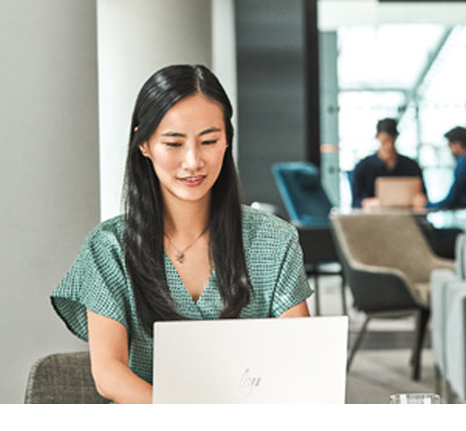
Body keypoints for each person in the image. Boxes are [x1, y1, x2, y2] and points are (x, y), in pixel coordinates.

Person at [50, 64, 313, 404]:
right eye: (174, 143)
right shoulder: (109, 247)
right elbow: (109, 374)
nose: (193, 161)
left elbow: (302, 359)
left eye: (209, 141)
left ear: (227, 140)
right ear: (144, 144)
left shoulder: (274, 240)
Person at [350, 118, 427, 209]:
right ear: (377, 137)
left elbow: (424, 195)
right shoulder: (363, 167)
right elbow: (355, 202)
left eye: (392, 140)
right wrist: (367, 203)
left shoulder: (411, 166)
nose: (389, 145)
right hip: (373, 216)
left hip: (406, 215)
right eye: (385, 140)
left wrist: (421, 200)